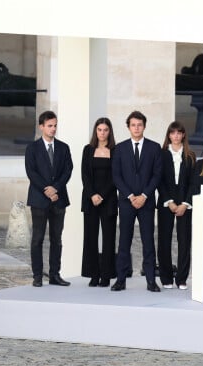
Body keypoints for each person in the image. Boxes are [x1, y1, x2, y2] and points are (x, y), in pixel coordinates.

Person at [111, 111, 162, 292]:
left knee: (148, 241)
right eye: (133, 125)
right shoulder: (120, 148)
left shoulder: (154, 148)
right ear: (128, 127)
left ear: (144, 126)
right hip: (127, 202)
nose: (136, 128)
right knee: (124, 241)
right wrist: (131, 196)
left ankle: (150, 280)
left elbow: (157, 175)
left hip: (146, 202)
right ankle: (120, 280)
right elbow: (116, 176)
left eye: (139, 125)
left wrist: (144, 196)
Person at [25, 110, 73, 287]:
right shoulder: (32, 148)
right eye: (50, 126)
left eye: (55, 125)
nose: (53, 129)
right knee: (37, 238)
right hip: (39, 199)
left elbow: (68, 170)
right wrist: (47, 190)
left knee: (56, 239)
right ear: (41, 127)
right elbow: (31, 172)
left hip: (59, 199)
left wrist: (55, 188)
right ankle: (37, 275)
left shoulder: (63, 147)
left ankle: (55, 274)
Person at [156, 121, 196, 290]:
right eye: (173, 133)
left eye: (179, 133)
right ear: (169, 135)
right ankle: (166, 277)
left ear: (183, 135)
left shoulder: (190, 155)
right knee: (164, 239)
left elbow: (194, 182)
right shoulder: (161, 154)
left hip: (185, 202)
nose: (176, 136)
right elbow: (158, 179)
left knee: (184, 240)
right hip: (167, 201)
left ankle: (181, 278)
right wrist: (169, 201)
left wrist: (185, 203)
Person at [81, 117, 117, 287]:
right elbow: (85, 175)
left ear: (110, 132)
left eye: (105, 130)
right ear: (96, 131)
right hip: (90, 200)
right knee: (90, 237)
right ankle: (93, 275)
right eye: (99, 130)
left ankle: (106, 275)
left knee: (109, 238)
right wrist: (93, 195)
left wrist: (101, 195)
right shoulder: (88, 150)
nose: (102, 133)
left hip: (108, 199)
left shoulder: (115, 151)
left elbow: (115, 177)